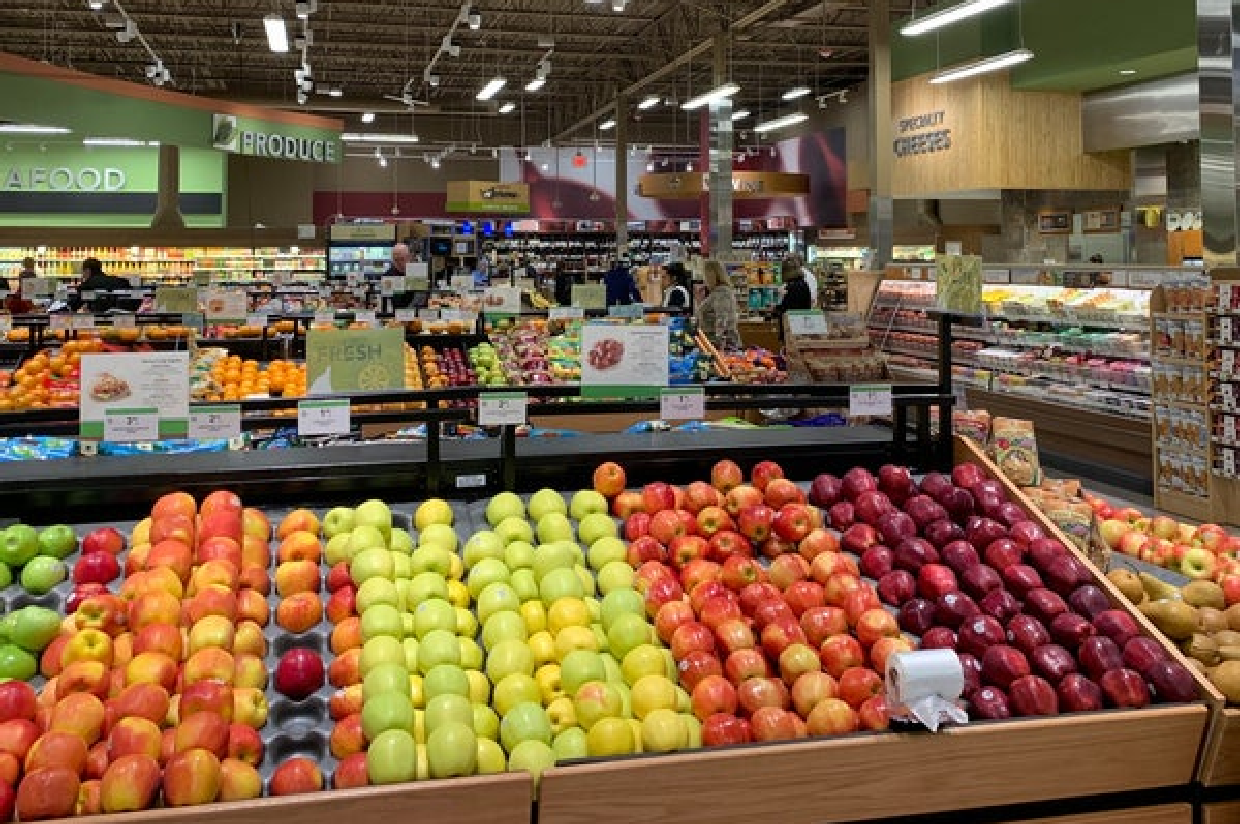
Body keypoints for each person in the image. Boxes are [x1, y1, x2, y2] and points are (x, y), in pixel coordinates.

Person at [695, 258, 740, 351]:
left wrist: (718, 345)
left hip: (720, 345)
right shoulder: (716, 292)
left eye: (705, 275)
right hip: (715, 342)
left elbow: (722, 320)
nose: (704, 279)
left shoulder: (722, 293)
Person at [775, 255, 812, 322]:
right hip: (802, 322)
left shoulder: (793, 286)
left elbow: (789, 309)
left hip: (794, 323)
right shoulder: (803, 283)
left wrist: (776, 308)